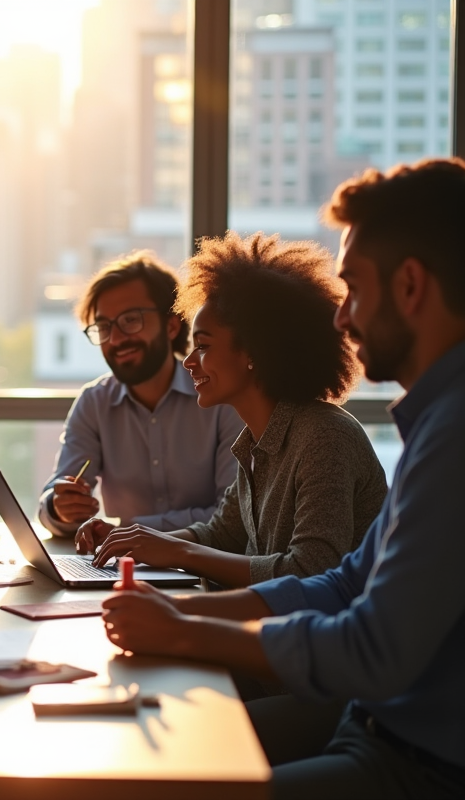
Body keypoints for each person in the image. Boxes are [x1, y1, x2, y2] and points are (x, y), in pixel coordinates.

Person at [101, 158, 465, 798]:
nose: (343, 318)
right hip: (371, 728)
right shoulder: (433, 425)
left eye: (354, 288)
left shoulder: (434, 435)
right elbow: (345, 579)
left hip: (409, 760)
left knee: (160, 765)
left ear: (410, 286)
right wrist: (180, 607)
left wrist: (187, 626)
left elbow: (367, 642)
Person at [81, 233, 388, 588]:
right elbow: (220, 534)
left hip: (327, 640)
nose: (190, 362)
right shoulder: (257, 442)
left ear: (253, 353)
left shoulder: (325, 437)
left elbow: (310, 573)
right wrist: (132, 539)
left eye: (204, 346)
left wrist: (176, 552)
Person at [38, 253, 242, 537]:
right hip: (122, 571)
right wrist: (58, 506)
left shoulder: (220, 398)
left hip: (206, 571)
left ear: (171, 325)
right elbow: (52, 503)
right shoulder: (94, 403)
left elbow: (235, 517)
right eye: (105, 327)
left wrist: (129, 531)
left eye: (130, 320)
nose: (117, 339)